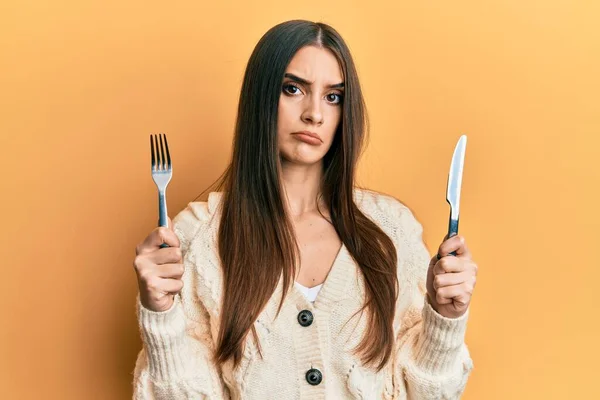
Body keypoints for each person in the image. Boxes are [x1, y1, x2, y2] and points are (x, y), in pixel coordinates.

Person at [131, 19, 477, 399]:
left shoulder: (391, 230)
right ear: (260, 97)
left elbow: (423, 393)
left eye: (333, 97)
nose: (315, 113)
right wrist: (160, 315)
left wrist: (445, 319)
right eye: (293, 89)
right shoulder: (198, 235)